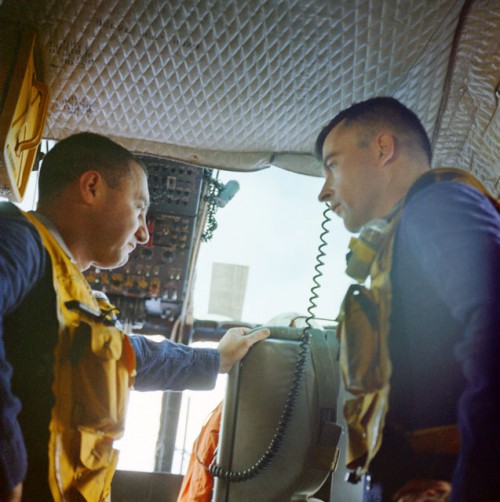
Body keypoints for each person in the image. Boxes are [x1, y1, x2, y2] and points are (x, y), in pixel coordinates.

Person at [0, 132, 269, 502]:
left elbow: (130, 355)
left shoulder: (70, 288)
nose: (144, 234)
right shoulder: (21, 240)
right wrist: (7, 464)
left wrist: (216, 359)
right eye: (139, 208)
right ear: (91, 187)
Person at [315, 97, 500, 501]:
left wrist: (472, 488)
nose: (324, 192)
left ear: (383, 148)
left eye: (332, 164)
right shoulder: (404, 234)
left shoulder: (436, 206)